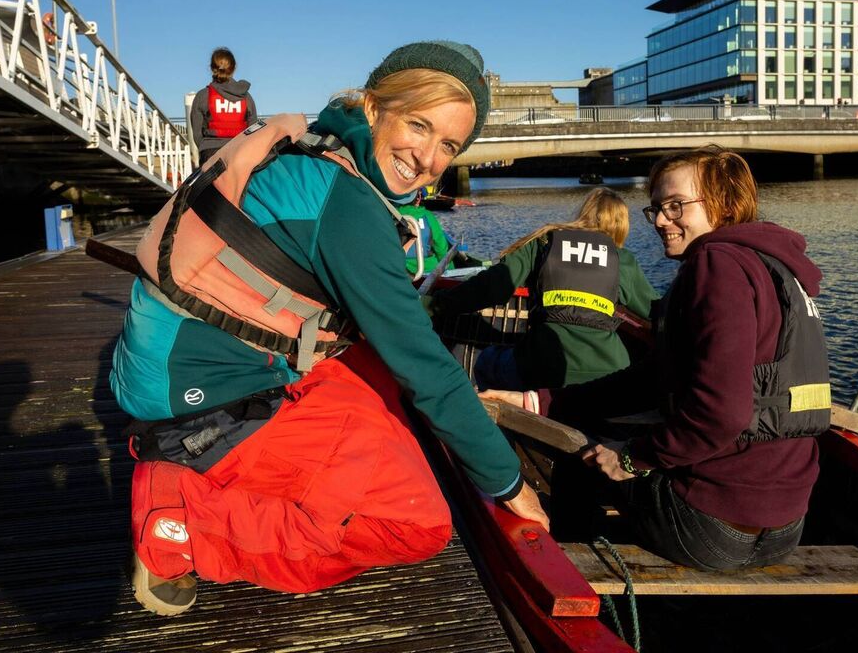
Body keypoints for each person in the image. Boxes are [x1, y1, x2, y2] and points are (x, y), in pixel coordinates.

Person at [111, 41, 547, 615]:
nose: (428, 159)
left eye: (449, 146)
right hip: (199, 400)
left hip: (181, 363)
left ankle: (256, 471)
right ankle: (180, 519)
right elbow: (425, 367)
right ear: (373, 107)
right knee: (416, 522)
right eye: (419, 125)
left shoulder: (323, 147)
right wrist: (510, 483)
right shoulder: (348, 205)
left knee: (383, 382)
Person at [559, 146, 830, 571]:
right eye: (656, 210)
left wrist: (629, 459)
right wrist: (548, 400)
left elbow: (721, 415)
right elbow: (656, 378)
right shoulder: (778, 267)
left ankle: (565, 577)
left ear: (725, 203)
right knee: (603, 427)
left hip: (710, 529)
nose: (662, 221)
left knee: (581, 458)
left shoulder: (715, 263)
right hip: (786, 528)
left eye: (675, 206)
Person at [430, 188, 658, 405]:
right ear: (622, 226)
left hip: (543, 365)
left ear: (584, 213)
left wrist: (436, 305)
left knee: (487, 361)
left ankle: (507, 428)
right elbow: (656, 311)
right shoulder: (622, 259)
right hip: (609, 369)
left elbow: (492, 287)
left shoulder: (545, 242)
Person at [188, 47, 258, 160]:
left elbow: (197, 133)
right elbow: (253, 129)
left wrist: (206, 147)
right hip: (241, 152)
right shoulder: (246, 97)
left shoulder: (203, 96)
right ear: (234, 68)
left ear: (211, 68)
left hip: (211, 153)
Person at [398, 188, 455, 277]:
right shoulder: (428, 216)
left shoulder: (390, 215)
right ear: (419, 199)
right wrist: (451, 270)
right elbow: (441, 248)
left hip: (401, 271)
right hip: (429, 270)